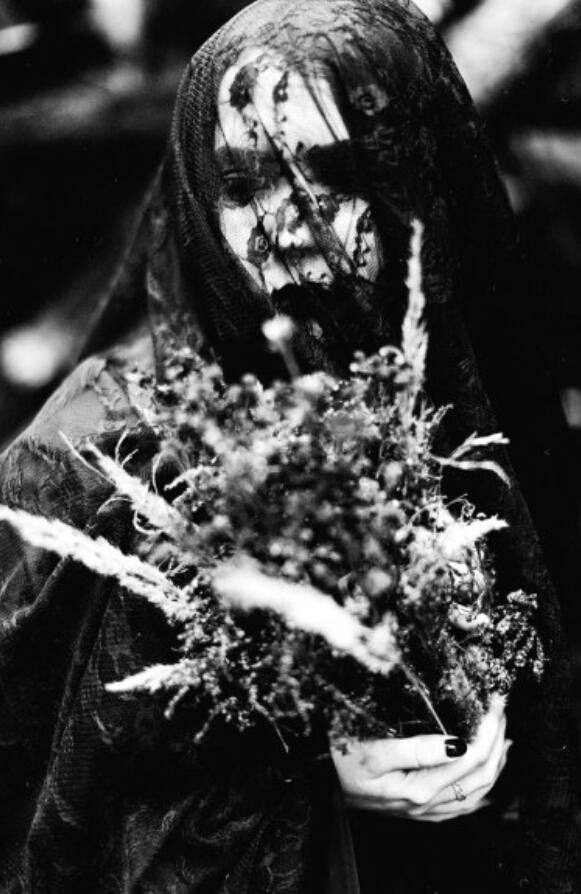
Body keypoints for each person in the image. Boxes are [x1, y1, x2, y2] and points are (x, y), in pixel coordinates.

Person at [0, 0, 579, 892]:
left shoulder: (463, 382)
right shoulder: (102, 454)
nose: (284, 226)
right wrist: (308, 786)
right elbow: (59, 811)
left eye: (333, 177)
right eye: (241, 185)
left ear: (412, 182)